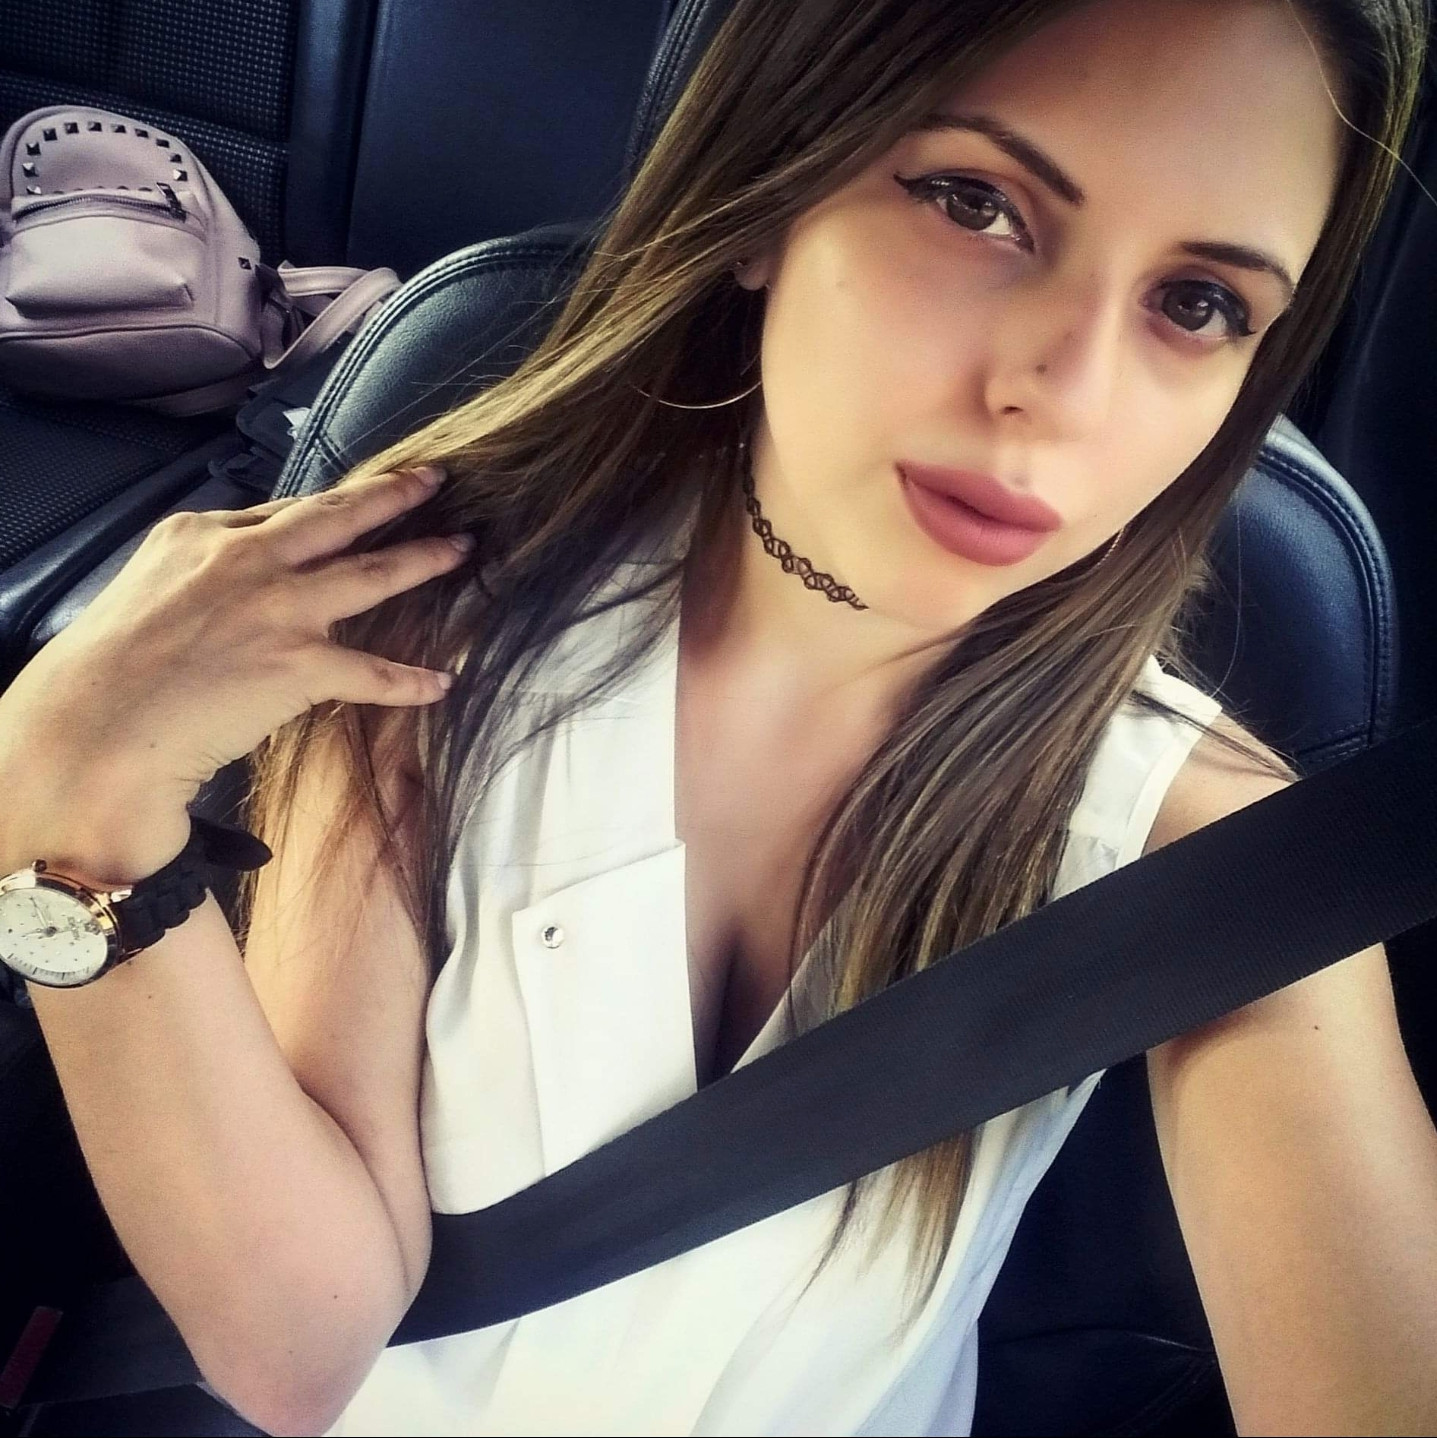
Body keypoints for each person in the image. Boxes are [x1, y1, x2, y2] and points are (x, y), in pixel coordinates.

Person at [1, 0, 1435, 1432]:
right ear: (765, 197)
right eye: (973, 203)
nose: (1063, 395)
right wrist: (63, 794)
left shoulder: (1216, 859)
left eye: (1198, 304)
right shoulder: (428, 636)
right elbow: (297, 1342)